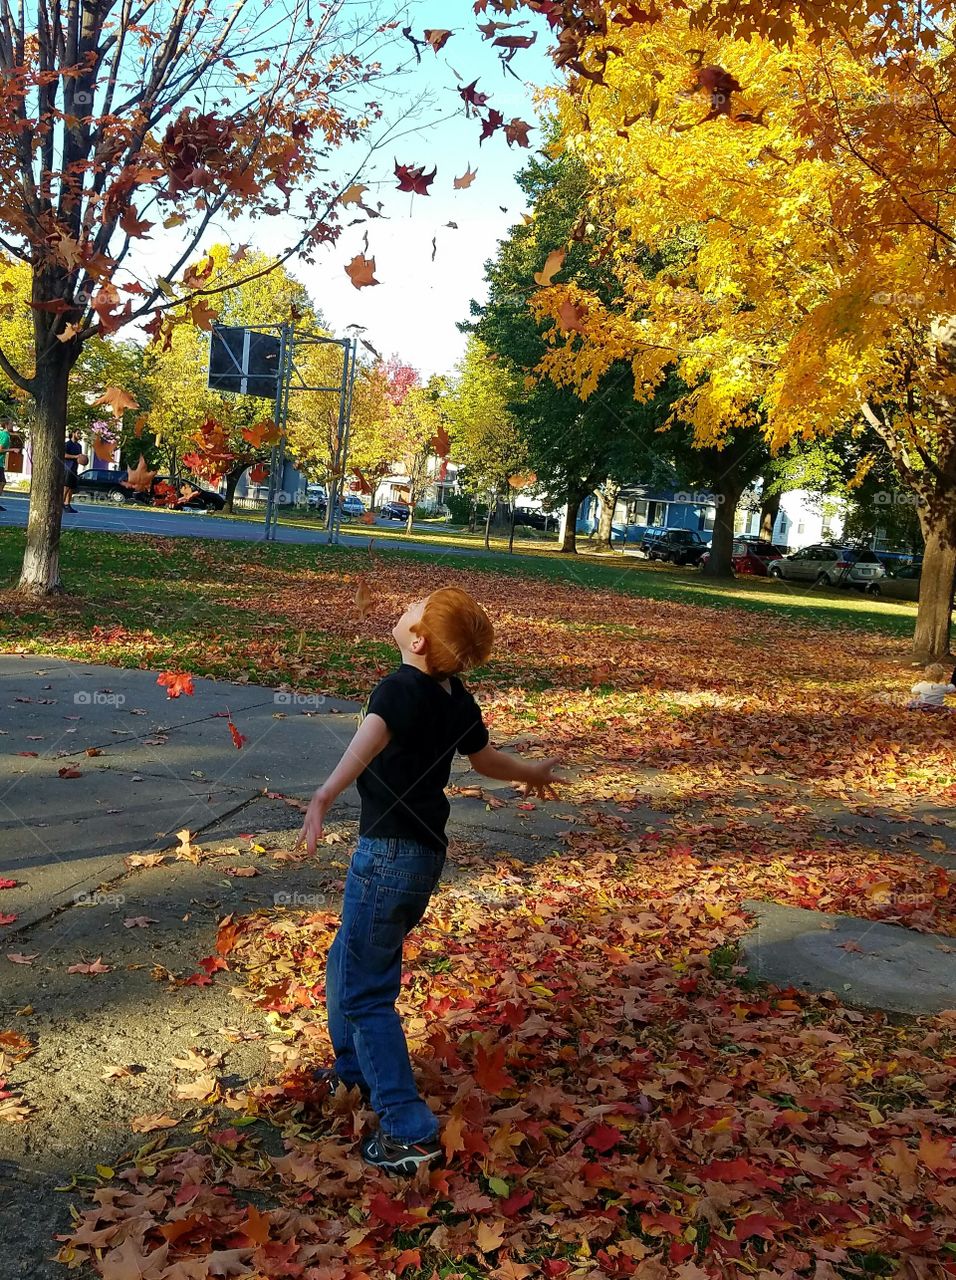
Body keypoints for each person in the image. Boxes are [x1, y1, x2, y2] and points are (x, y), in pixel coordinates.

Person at [296, 587, 563, 1175]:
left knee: (366, 988)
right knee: (348, 958)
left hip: (386, 856)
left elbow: (364, 747)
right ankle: (353, 1072)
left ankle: (407, 1128)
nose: (405, 608)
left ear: (417, 641)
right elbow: (487, 760)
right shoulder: (452, 693)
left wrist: (323, 795)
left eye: (414, 608)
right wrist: (531, 771)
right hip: (420, 860)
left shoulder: (397, 688)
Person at [63, 430, 86, 513]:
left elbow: (80, 457)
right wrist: (76, 456)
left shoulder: (79, 446)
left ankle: (67, 504)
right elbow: (64, 455)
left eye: (80, 433)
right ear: (73, 433)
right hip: (68, 468)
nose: (80, 435)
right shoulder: (67, 444)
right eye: (78, 433)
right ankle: (60, 503)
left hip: (75, 468)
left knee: (71, 487)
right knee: (66, 486)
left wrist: (83, 460)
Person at [0, 418, 12, 511]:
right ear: (7, 425)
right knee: (2, 482)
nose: (12, 425)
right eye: (11, 423)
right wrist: (12, 450)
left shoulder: (4, 434)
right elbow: (0, 449)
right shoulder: (5, 436)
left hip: (1, 462)